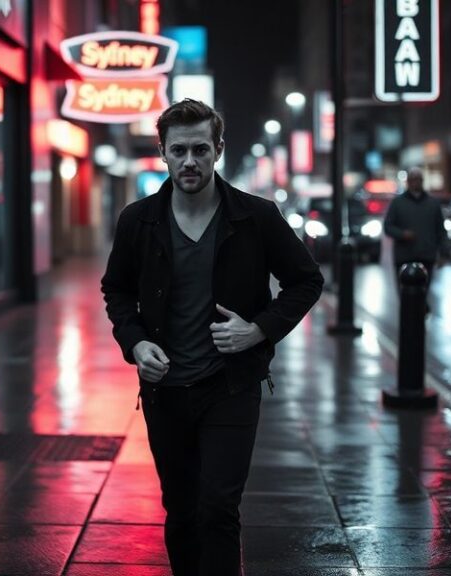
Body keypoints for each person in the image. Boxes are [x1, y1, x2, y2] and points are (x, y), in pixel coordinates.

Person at [100, 99, 324, 576]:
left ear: (218, 150)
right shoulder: (137, 221)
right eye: (178, 150)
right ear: (162, 151)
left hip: (231, 388)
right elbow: (116, 290)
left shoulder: (255, 217)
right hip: (165, 392)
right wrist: (136, 343)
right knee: (181, 513)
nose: (189, 162)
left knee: (218, 510)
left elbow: (306, 280)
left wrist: (259, 330)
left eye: (200, 149)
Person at [383, 167, 445, 307]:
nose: (416, 182)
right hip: (404, 256)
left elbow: (440, 230)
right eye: (413, 179)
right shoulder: (397, 203)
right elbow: (388, 227)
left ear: (422, 181)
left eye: (419, 179)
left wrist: (442, 253)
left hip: (426, 255)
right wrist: (402, 234)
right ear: (408, 182)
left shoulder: (433, 204)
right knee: (405, 294)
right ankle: (409, 318)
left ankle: (420, 313)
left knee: (423, 291)